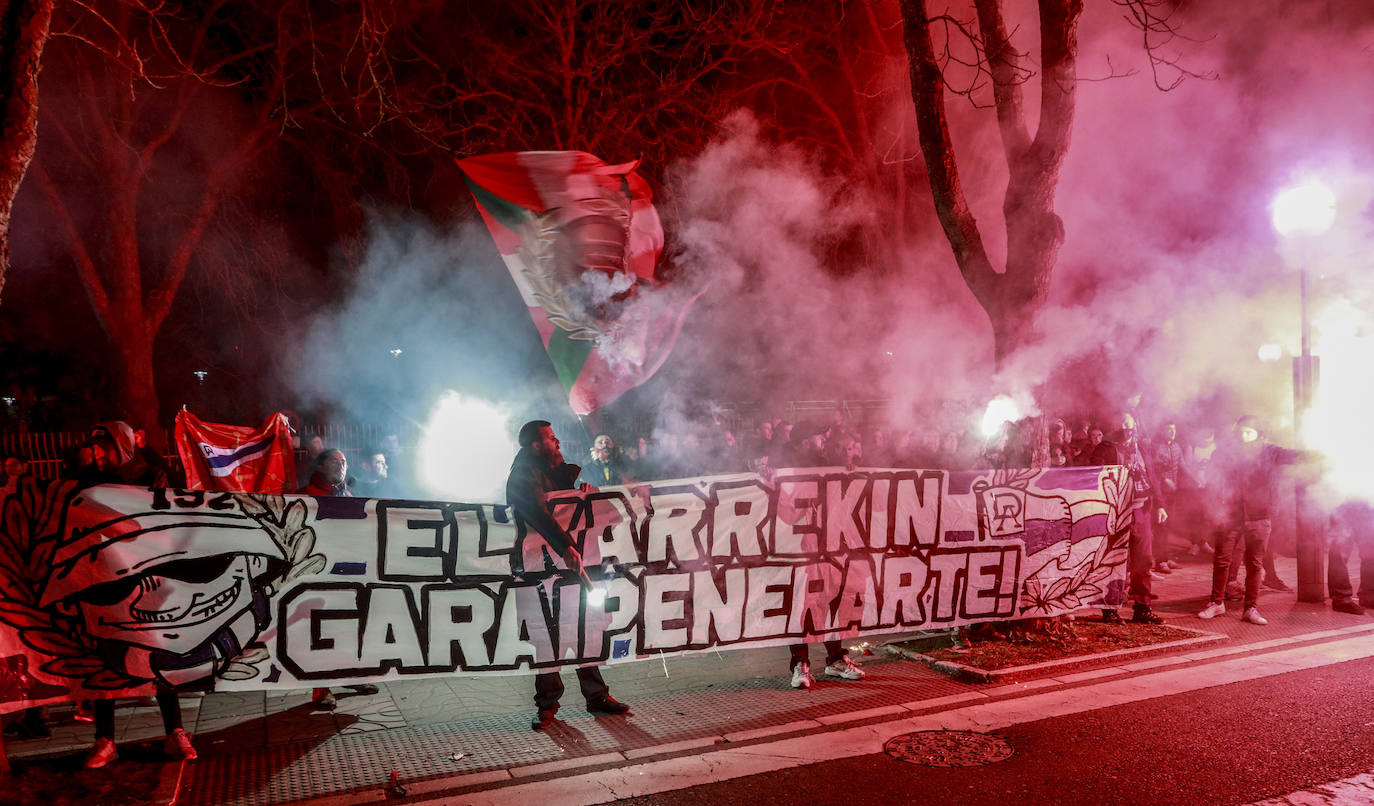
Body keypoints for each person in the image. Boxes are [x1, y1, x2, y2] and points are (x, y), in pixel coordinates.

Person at [63, 422, 189, 768]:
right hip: (102, 579)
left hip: (147, 579)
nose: (98, 454)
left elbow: (164, 518)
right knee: (104, 658)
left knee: (157, 656)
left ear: (122, 445)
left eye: (104, 447)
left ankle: (174, 732)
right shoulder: (87, 480)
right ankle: (105, 740)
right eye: (95, 448)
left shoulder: (152, 474)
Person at [507, 420, 629, 730]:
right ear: (536, 445)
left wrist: (585, 496)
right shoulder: (522, 478)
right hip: (541, 573)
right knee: (549, 638)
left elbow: (567, 509)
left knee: (584, 630)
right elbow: (539, 515)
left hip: (568, 568)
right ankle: (547, 706)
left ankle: (597, 696)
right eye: (550, 437)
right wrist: (566, 548)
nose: (557, 441)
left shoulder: (554, 470)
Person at [1197, 416, 1308, 626]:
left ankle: (1250, 608)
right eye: (1240, 432)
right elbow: (1214, 476)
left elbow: (1293, 456)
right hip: (1231, 515)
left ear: (1259, 433)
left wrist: (1318, 453)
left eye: (1248, 432)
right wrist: (1214, 507)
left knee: (1254, 564)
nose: (1243, 436)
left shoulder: (1270, 451)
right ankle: (1216, 603)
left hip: (1259, 516)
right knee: (1221, 560)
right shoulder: (1226, 453)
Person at [298, 447, 379, 708]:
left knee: (350, 624)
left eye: (343, 461)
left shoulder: (347, 492)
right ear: (320, 466)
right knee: (320, 627)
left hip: (349, 568)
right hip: (319, 569)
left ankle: (351, 675)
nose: (340, 465)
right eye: (334, 461)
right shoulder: (307, 495)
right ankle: (320, 688)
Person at [787, 437, 866, 689]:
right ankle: (800, 664)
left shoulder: (850, 477)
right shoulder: (808, 476)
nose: (849, 452)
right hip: (810, 556)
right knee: (806, 608)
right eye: (843, 448)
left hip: (839, 554)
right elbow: (789, 514)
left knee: (835, 605)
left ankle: (835, 659)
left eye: (852, 447)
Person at [1091, 413, 1167, 624]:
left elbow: (1152, 475)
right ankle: (1109, 608)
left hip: (1140, 510)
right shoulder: (1105, 448)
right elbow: (1096, 478)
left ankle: (1142, 608)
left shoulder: (1141, 447)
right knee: (1114, 560)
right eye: (1122, 423)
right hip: (1116, 511)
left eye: (1130, 422)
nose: (1126, 427)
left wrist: (1160, 504)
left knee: (1143, 560)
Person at [1328, 500, 1374, 615]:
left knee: (1370, 548)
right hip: (1343, 502)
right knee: (1340, 550)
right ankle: (1341, 598)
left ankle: (1369, 595)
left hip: (1362, 504)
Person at [1152, 422, 1184, 574]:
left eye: (1174, 429)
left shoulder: (1177, 447)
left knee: (1168, 526)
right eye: (1168, 429)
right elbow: (1154, 468)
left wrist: (1197, 478)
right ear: (1162, 431)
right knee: (1161, 527)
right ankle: (1160, 561)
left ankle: (1166, 557)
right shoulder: (1157, 447)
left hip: (1173, 493)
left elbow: (1183, 465)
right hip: (1160, 493)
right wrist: (1165, 479)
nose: (1172, 432)